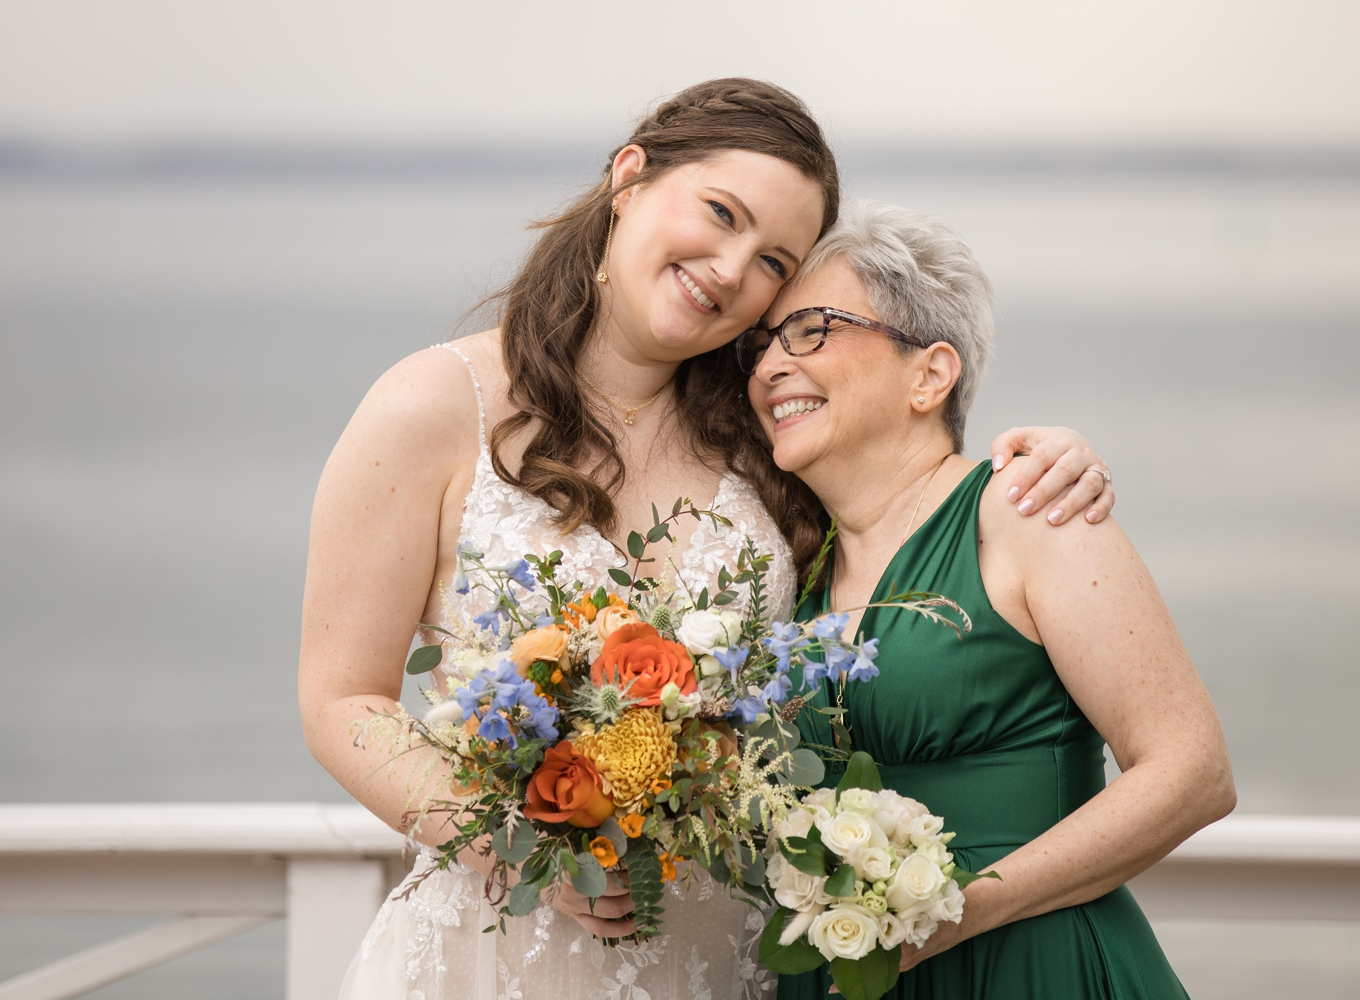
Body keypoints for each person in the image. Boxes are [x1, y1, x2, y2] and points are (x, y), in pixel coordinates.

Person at [299, 80, 1119, 1000]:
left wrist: (1045, 458)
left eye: (774, 261)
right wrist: (522, 841)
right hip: (493, 955)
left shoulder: (770, 440)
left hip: (720, 963)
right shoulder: (435, 405)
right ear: (631, 178)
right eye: (720, 214)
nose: (731, 270)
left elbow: (910, 497)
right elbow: (343, 697)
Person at [746, 202, 1235, 999]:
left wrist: (963, 911)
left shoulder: (1026, 511)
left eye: (811, 330)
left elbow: (1193, 772)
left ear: (931, 373)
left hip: (1027, 965)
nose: (769, 365)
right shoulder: (792, 562)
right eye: (761, 343)